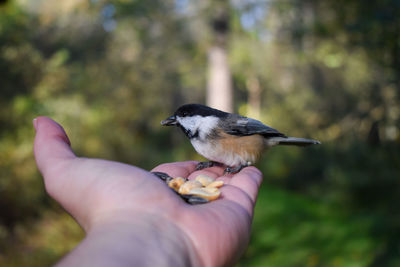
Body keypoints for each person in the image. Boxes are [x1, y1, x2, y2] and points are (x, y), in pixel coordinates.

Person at [33, 116, 263, 267]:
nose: (179, 122)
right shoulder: (198, 137)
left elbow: (252, 132)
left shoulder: (222, 124)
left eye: (183, 117)